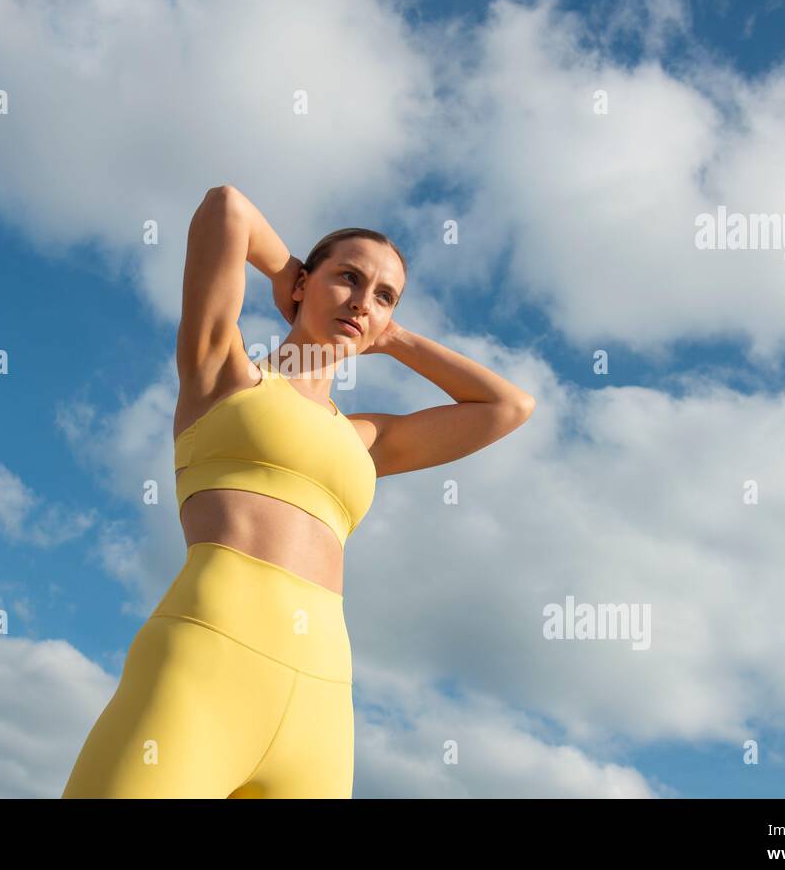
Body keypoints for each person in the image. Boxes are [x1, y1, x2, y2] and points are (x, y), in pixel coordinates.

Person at [61, 185, 536, 797]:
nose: (363, 301)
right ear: (304, 283)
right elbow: (226, 209)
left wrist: (387, 333)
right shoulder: (224, 373)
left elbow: (508, 406)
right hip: (203, 666)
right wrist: (295, 279)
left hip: (322, 702)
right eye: (348, 278)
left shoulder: (366, 438)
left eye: (385, 294)